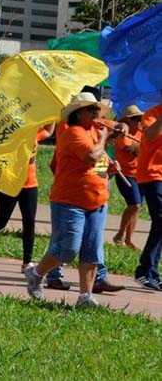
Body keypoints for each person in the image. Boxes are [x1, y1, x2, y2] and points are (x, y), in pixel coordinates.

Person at [24, 93, 123, 307]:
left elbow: (97, 166)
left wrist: (111, 167)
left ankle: (85, 296)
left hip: (97, 200)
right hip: (69, 201)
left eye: (97, 110)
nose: (96, 114)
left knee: (92, 250)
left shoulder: (94, 131)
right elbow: (91, 157)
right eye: (91, 110)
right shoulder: (73, 133)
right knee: (67, 248)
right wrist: (106, 139)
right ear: (78, 114)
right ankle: (37, 272)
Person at [0, 124, 55, 271]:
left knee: (29, 222)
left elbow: (48, 132)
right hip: (9, 184)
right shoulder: (10, 135)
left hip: (30, 184)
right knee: (1, 221)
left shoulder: (34, 132)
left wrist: (55, 113)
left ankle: (27, 262)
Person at [135, 94, 162, 290]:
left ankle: (150, 270)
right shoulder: (151, 114)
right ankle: (144, 270)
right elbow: (151, 135)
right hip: (152, 175)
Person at [113, 105, 144, 249]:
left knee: (137, 208)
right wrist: (144, 145)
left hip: (139, 174)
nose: (140, 122)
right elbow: (132, 151)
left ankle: (128, 239)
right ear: (128, 120)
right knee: (134, 204)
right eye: (137, 119)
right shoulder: (122, 134)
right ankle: (119, 234)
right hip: (124, 174)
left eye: (141, 119)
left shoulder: (141, 133)